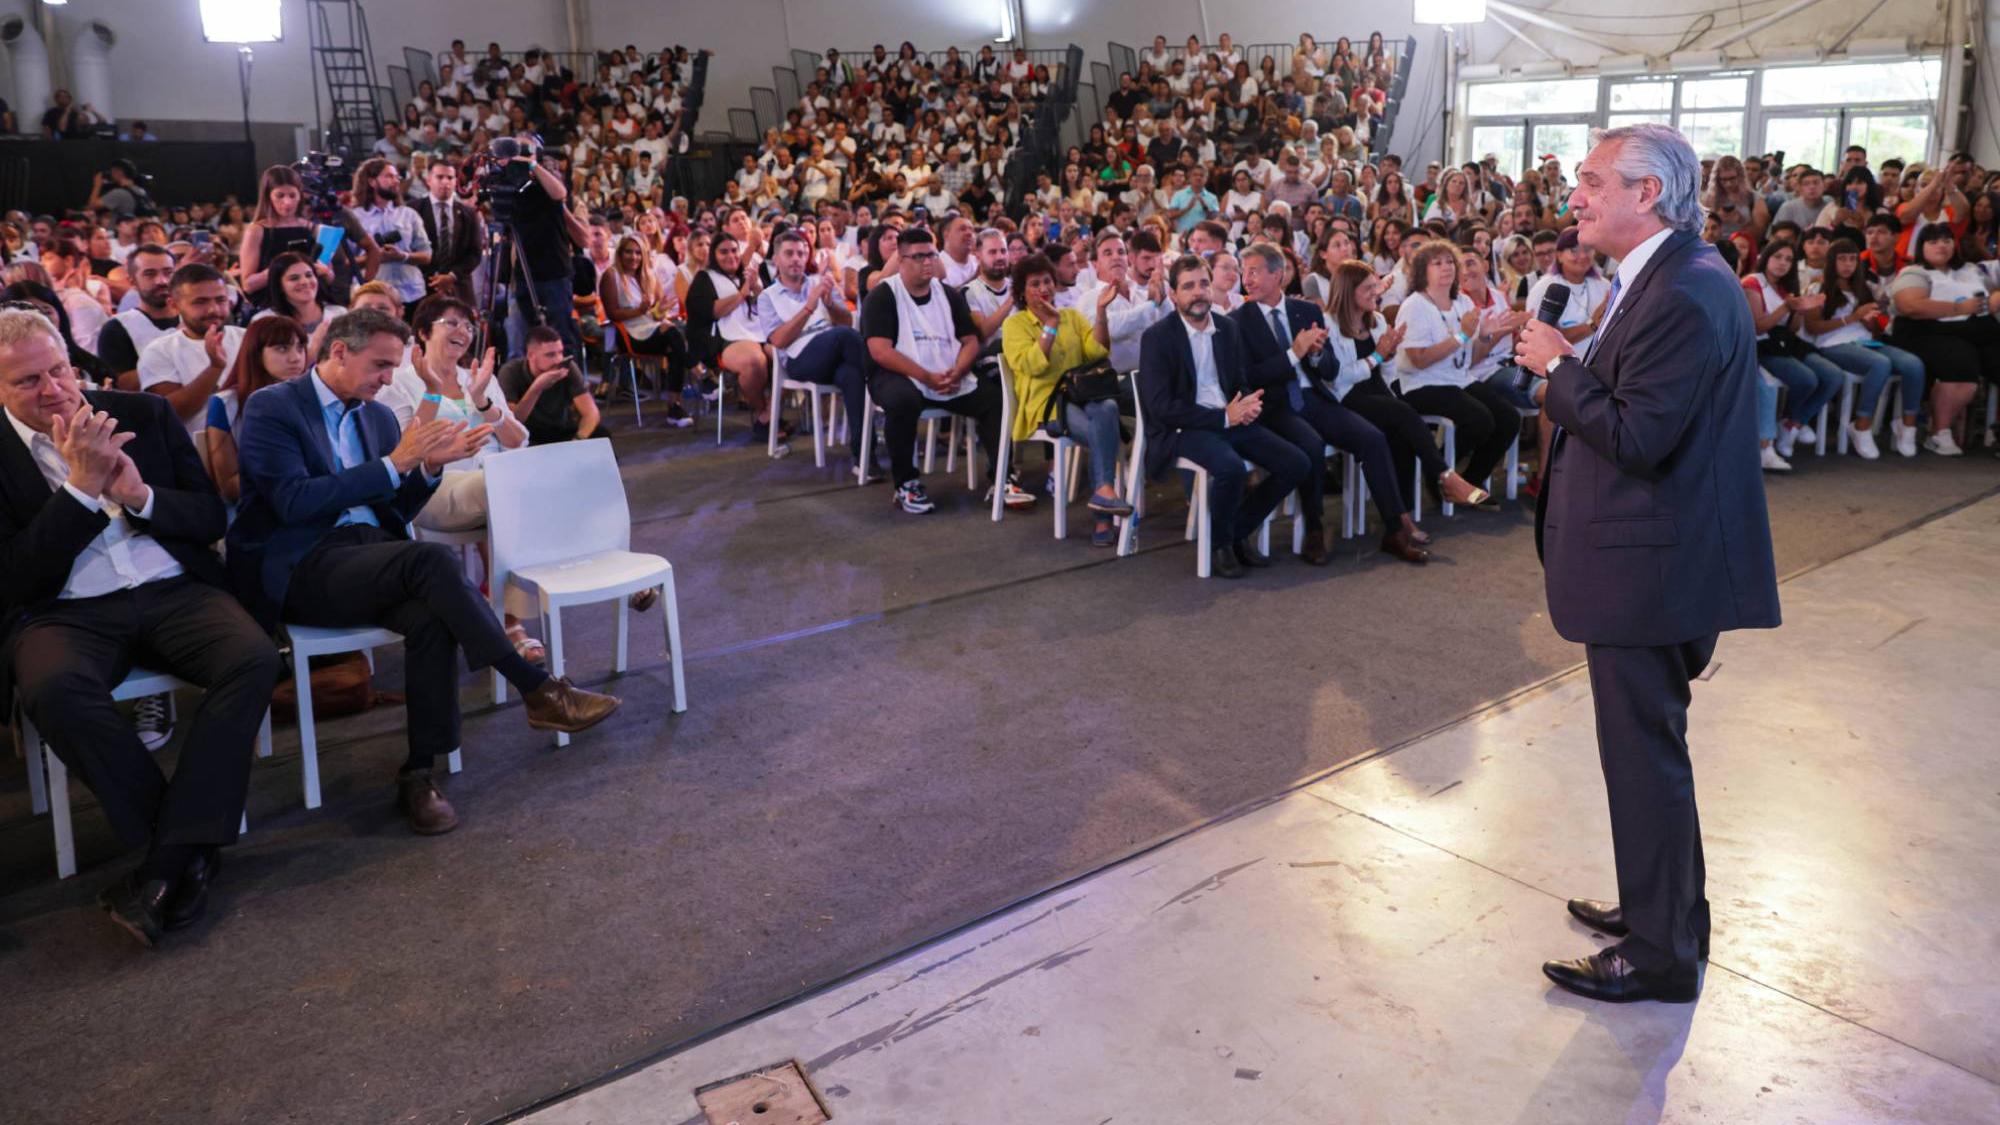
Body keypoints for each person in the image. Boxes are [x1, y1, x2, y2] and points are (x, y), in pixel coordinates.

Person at [1515, 123, 1780, 1004]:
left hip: (1650, 569)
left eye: (1592, 181)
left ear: (1647, 195)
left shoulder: (1683, 291)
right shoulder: (1671, 277)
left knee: (1644, 756)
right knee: (1645, 751)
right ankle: (1661, 909)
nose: (1576, 196)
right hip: (1648, 560)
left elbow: (1637, 432)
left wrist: (1558, 369)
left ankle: (1662, 953)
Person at [227, 310, 622, 835]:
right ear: (339, 352)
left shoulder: (377, 417)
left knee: (430, 615)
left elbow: (398, 508)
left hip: (374, 557)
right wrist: (396, 464)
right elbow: (293, 502)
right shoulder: (273, 407)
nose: (388, 379)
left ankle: (419, 772)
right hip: (303, 562)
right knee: (432, 561)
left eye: (393, 367)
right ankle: (537, 689)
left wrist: (430, 467)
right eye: (381, 365)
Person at [0, 307, 282, 947]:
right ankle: (188, 849)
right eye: (26, 382)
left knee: (253, 658)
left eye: (59, 371)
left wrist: (140, 498)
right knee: (54, 693)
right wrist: (78, 491)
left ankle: (164, 864)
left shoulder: (144, 416)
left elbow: (210, 517)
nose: (53, 390)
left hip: (172, 588)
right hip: (60, 611)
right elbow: (13, 578)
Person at [1231, 244, 1427, 565]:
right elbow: (1249, 378)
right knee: (1310, 443)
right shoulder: (1238, 320)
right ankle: (1314, 528)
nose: (1247, 279)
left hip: (1315, 397)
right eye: (1244, 272)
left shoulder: (1305, 311)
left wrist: (1318, 354)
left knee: (1373, 438)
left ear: (1277, 274)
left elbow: (1331, 370)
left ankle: (1395, 530)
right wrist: (1294, 353)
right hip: (1274, 404)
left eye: (1254, 271)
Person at [1136, 255, 1310, 579]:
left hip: (1229, 419)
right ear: (1174, 294)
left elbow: (1239, 381)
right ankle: (1220, 546)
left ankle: (1235, 531)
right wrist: (1222, 418)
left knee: (1296, 462)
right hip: (1182, 428)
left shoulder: (1227, 328)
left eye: (1203, 283)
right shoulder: (1158, 338)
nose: (1199, 292)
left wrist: (1248, 403)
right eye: (1188, 286)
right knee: (1231, 469)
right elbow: (1160, 407)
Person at [861, 226, 1021, 514]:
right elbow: (880, 351)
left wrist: (959, 371)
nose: (927, 262)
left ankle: (1002, 477)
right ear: (901, 259)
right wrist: (925, 377)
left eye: (931, 255)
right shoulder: (883, 295)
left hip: (947, 372)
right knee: (902, 401)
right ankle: (906, 484)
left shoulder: (947, 294)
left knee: (995, 398)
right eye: (918, 256)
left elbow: (970, 340)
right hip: (896, 372)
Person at [1001, 253, 1129, 547]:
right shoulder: (1015, 325)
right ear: (1022, 291)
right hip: (1045, 403)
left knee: (1108, 407)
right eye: (1035, 283)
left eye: (1047, 280)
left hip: (1082, 392)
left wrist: (1100, 312)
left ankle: (1103, 496)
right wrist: (1050, 325)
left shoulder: (1072, 316)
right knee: (1104, 430)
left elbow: (1098, 352)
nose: (1044, 287)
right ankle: (1103, 517)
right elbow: (1033, 366)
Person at [1393, 241, 1520, 502]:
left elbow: (1470, 359)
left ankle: (1470, 481)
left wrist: (1484, 337)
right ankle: (1439, 474)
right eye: (1437, 263)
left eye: (1450, 261)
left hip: (1459, 378)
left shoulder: (1461, 302)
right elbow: (1419, 360)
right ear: (1422, 271)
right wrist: (1461, 335)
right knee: (1480, 419)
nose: (1446, 267)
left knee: (1509, 418)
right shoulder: (1415, 305)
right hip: (1421, 383)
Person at [1803, 238, 1924, 459]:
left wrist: (1870, 320)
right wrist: (1853, 317)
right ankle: (1862, 424)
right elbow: (1813, 328)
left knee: (1913, 364)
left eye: (1852, 259)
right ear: (1832, 262)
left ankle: (1908, 425)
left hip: (1865, 342)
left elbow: (1873, 329)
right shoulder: (1817, 288)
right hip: (1832, 343)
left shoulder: (1865, 288)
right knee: (1880, 364)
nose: (1848, 264)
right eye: (1842, 259)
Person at [1888, 222, 2000, 455]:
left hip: (1976, 330)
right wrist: (1960, 308)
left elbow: (1990, 296)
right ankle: (1939, 432)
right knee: (1961, 359)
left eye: (1947, 240)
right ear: (1922, 246)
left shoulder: (1970, 270)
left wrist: (1991, 301)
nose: (1941, 246)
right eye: (1933, 241)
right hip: (1924, 331)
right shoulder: (1915, 272)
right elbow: (1910, 306)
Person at [756, 228, 869, 458]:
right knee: (843, 337)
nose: (796, 259)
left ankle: (865, 455)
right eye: (789, 254)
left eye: (801, 253)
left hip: (834, 353)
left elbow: (847, 321)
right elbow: (778, 340)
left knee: (851, 375)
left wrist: (829, 305)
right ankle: (880, 378)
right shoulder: (767, 296)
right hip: (799, 361)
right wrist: (809, 307)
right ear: (776, 259)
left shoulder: (820, 282)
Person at [1743, 241, 1845, 462]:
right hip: (1762, 345)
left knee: (1834, 375)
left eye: (1788, 259)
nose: (1783, 263)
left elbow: (1793, 328)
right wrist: (1787, 307)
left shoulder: (1786, 286)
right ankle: (1789, 424)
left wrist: (1800, 310)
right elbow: (1758, 326)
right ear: (1766, 257)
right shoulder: (1752, 283)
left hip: (1786, 341)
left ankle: (1793, 422)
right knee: (1806, 379)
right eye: (1778, 257)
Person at [203, 315, 311, 503]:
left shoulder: (314, 397)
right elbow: (228, 487)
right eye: (282, 348)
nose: (296, 358)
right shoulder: (226, 403)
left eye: (300, 347)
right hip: (255, 506)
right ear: (256, 353)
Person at [683, 232, 775, 439]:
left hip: (759, 333)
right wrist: (742, 293)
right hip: (721, 339)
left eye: (734, 250)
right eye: (723, 252)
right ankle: (765, 414)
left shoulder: (749, 273)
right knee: (754, 361)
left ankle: (768, 415)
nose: (730, 256)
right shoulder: (704, 278)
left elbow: (770, 307)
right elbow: (712, 311)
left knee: (785, 355)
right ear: (714, 255)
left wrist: (758, 288)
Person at [136, 264, 244, 437]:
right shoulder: (159, 351)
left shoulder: (247, 338)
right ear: (174, 304)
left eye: (220, 300)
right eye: (200, 302)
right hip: (193, 456)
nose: (213, 310)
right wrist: (215, 368)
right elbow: (170, 414)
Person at [599, 234, 694, 428]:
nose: (633, 257)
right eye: (628, 252)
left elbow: (652, 313)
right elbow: (612, 313)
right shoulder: (611, 275)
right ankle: (696, 374)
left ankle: (674, 404)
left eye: (637, 253)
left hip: (649, 326)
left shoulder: (646, 276)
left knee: (678, 339)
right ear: (620, 253)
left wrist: (659, 311)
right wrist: (639, 311)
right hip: (628, 333)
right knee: (675, 337)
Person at [350, 159, 433, 314]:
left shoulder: (409, 215)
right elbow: (345, 262)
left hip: (411, 293)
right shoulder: (355, 217)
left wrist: (403, 256)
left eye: (397, 177)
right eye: (389, 176)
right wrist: (375, 256)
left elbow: (427, 255)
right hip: (371, 298)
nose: (395, 181)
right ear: (372, 182)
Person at [500, 325, 605, 445]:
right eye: (550, 355)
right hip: (529, 435)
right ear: (530, 355)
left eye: (560, 352)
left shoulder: (567, 367)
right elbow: (514, 422)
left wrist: (578, 440)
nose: (558, 360)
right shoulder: (510, 372)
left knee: (601, 435)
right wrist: (537, 388)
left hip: (561, 430)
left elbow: (591, 413)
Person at [412, 158, 485, 302]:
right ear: (429, 180)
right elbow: (410, 249)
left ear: (455, 181)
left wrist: (451, 276)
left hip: (459, 286)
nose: (445, 182)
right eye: (439, 177)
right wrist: (436, 279)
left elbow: (475, 253)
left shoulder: (468, 213)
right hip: (421, 286)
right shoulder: (413, 209)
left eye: (450, 178)